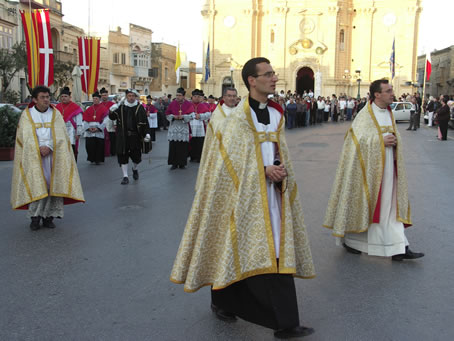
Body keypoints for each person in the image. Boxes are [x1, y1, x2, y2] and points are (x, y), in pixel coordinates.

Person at [171, 57, 315, 339]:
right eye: (268, 74)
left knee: (274, 251)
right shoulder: (237, 118)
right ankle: (227, 299)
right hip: (245, 198)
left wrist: (281, 168)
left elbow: (278, 149)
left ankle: (286, 323)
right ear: (252, 80)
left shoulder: (276, 113)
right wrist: (263, 170)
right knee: (237, 246)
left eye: (274, 73)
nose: (274, 78)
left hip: (273, 197)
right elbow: (229, 162)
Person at [323, 79, 424, 261]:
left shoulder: (389, 113)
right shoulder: (365, 115)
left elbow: (393, 136)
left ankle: (399, 247)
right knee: (373, 207)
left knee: (390, 207)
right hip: (369, 172)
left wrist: (394, 142)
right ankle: (353, 240)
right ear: (377, 94)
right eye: (388, 91)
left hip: (388, 169)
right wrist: (380, 142)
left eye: (391, 90)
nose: (392, 93)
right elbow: (353, 142)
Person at [11, 85, 84, 230]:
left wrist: (49, 146)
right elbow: (23, 137)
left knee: (53, 186)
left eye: (47, 97)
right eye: (42, 97)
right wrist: (38, 147)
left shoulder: (55, 114)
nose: (46, 100)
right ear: (34, 99)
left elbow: (61, 134)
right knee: (37, 185)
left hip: (53, 155)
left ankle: (49, 217)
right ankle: (35, 217)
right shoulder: (28, 114)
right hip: (34, 156)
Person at [109, 89, 149, 184]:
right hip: (123, 136)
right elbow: (112, 117)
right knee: (123, 155)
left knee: (136, 157)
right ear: (126, 97)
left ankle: (135, 168)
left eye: (132, 96)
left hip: (135, 136)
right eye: (129, 96)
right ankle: (125, 176)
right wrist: (113, 108)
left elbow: (145, 122)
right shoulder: (121, 107)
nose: (131, 98)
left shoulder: (139, 108)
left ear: (135, 97)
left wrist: (147, 133)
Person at [166, 87, 194, 169]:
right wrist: (173, 117)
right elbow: (167, 114)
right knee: (173, 145)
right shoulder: (172, 103)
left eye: (180, 95)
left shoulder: (188, 104)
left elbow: (192, 115)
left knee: (183, 146)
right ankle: (173, 163)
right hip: (174, 127)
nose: (178, 97)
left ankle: (182, 163)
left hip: (183, 127)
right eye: (177, 95)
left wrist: (184, 117)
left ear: (184, 96)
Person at [55, 87, 83, 161]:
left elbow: (79, 122)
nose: (64, 98)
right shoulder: (57, 107)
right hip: (60, 132)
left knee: (71, 151)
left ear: (69, 97)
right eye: (62, 96)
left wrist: (78, 133)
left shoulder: (75, 107)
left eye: (65, 96)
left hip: (71, 132)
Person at [82, 91, 110, 165]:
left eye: (96, 98)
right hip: (89, 129)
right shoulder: (89, 109)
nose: (95, 100)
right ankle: (91, 158)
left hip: (99, 129)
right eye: (94, 98)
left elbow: (106, 120)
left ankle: (98, 159)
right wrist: (88, 128)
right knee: (89, 145)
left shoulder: (103, 109)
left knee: (99, 146)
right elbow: (85, 120)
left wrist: (98, 128)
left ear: (99, 99)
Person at [189, 89, 211, 163]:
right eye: (195, 96)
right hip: (191, 126)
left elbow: (208, 114)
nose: (196, 98)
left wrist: (200, 116)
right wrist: (192, 116)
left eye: (198, 96)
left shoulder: (202, 105)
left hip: (200, 127)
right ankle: (192, 157)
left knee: (199, 142)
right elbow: (185, 114)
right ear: (192, 97)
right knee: (191, 142)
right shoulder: (188, 105)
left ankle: (199, 157)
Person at [100, 88, 115, 157]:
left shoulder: (112, 104)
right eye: (102, 95)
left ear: (107, 95)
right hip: (102, 124)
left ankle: (113, 151)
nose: (104, 96)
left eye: (105, 95)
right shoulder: (99, 105)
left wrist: (115, 124)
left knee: (112, 138)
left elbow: (115, 115)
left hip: (111, 124)